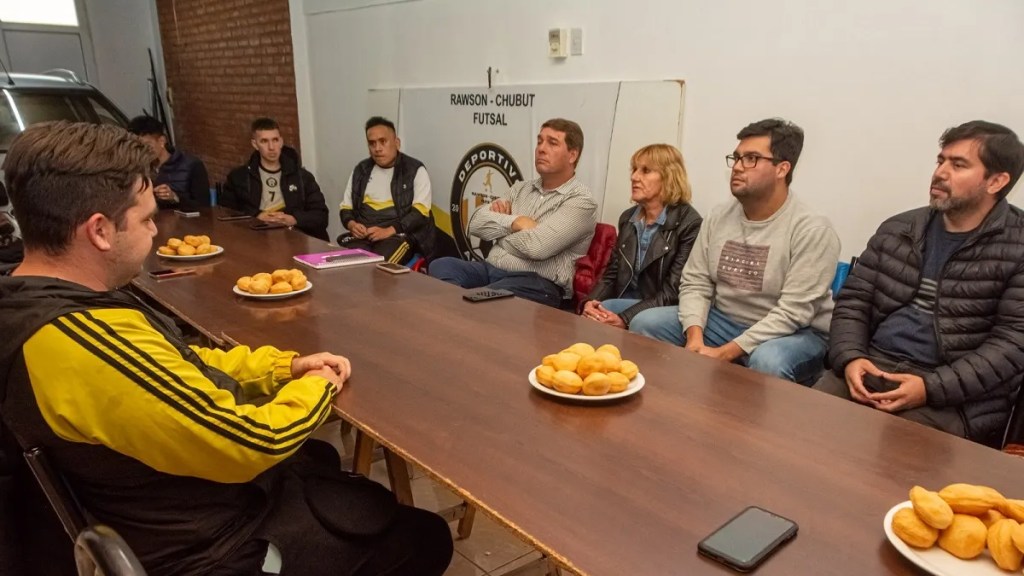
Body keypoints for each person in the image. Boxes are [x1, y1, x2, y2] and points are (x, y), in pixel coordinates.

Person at [0, 121, 453, 576]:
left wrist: (284, 367)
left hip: (157, 513)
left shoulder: (39, 305)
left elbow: (183, 361)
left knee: (322, 464)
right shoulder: (83, 343)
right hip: (208, 545)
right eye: (144, 219)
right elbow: (253, 440)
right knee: (422, 538)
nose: (155, 232)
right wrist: (316, 387)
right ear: (99, 231)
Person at [815, 120, 1024, 444]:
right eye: (941, 160)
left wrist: (930, 388)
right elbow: (853, 302)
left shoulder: (1018, 246)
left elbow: (1012, 345)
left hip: (952, 396)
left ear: (996, 181)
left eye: (958, 165)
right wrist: (851, 358)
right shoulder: (899, 228)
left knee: (886, 459)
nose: (940, 172)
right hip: (870, 367)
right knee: (800, 430)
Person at [631, 119, 840, 384]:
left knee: (768, 361)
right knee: (645, 323)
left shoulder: (812, 229)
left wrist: (724, 353)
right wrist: (695, 338)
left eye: (752, 158)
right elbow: (696, 281)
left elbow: (793, 312)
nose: (739, 167)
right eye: (737, 157)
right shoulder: (719, 216)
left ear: (782, 169)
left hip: (793, 333)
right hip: (724, 321)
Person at [429, 118, 597, 307]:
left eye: (552, 143)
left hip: (536, 283)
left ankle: (455, 312)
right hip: (490, 269)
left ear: (572, 155)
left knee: (483, 299)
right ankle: (454, 312)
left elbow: (537, 248)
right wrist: (516, 222)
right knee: (442, 266)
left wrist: (499, 234)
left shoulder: (581, 201)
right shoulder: (520, 189)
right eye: (540, 141)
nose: (541, 148)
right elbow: (475, 223)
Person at [580, 143, 702, 329]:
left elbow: (672, 292)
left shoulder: (689, 223)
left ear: (669, 177)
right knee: (595, 310)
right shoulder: (628, 218)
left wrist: (625, 318)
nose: (634, 177)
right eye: (634, 170)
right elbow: (611, 274)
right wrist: (590, 301)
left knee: (607, 309)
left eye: (645, 171)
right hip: (625, 301)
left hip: (661, 308)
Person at [338, 117, 435, 264]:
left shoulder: (415, 170)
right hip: (363, 236)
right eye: (372, 143)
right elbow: (346, 208)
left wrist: (388, 231)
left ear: (397, 143)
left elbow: (420, 213)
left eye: (383, 141)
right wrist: (352, 225)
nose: (377, 148)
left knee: (378, 267)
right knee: (345, 265)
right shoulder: (361, 170)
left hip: (398, 234)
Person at [221, 117, 330, 241]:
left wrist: (294, 219)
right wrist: (257, 216)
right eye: (264, 141)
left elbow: (321, 216)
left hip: (294, 237)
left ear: (281, 142)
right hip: (256, 238)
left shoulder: (302, 177)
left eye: (275, 140)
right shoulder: (239, 177)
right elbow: (226, 214)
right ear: (255, 144)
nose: (271, 147)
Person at [127, 115, 211, 211]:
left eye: (147, 146)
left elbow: (204, 207)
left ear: (162, 141)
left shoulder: (192, 166)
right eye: (137, 147)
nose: (143, 151)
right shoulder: (133, 167)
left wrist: (175, 198)